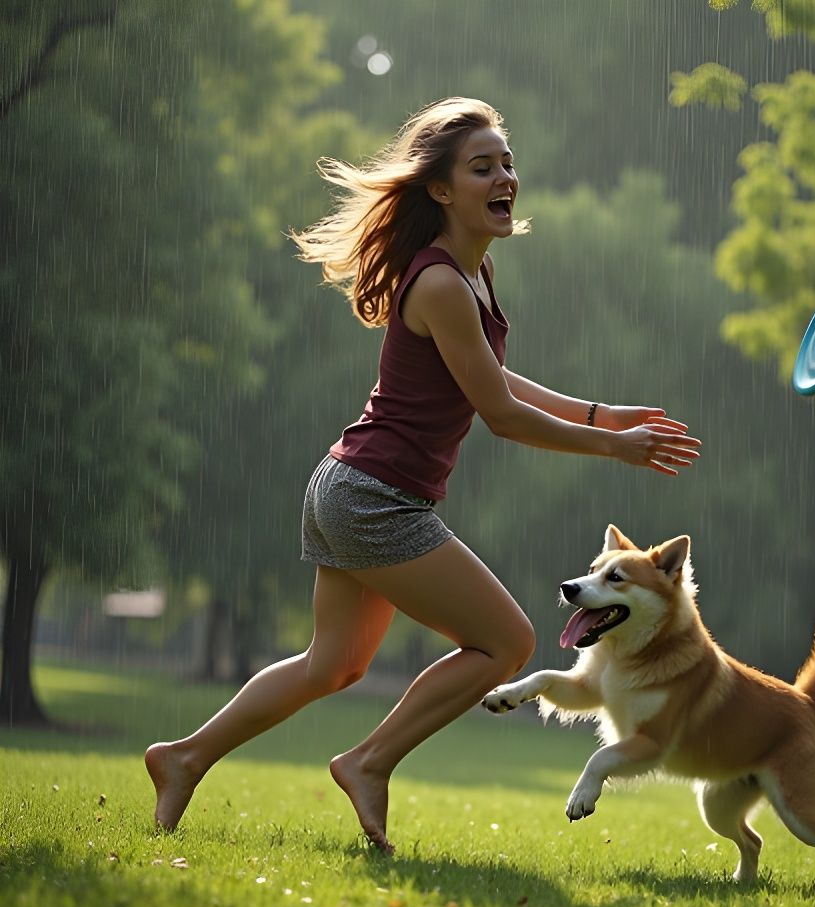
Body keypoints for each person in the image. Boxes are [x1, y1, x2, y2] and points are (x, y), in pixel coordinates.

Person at [145, 97, 701, 853]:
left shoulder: (473, 274)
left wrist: (603, 415)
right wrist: (616, 449)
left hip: (347, 486)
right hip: (375, 499)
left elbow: (496, 381)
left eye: (507, 163)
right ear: (440, 189)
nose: (505, 177)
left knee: (332, 664)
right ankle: (370, 762)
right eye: (483, 167)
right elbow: (501, 416)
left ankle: (183, 757)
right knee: (506, 643)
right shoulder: (439, 282)